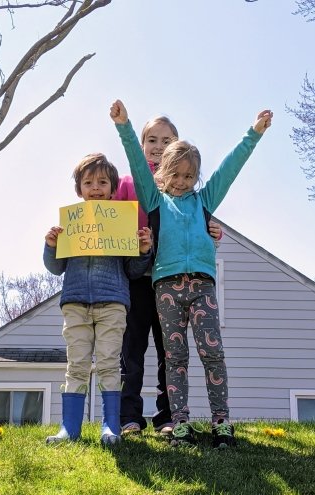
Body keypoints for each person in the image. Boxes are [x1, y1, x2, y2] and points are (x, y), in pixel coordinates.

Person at [110, 100, 272, 448]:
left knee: (212, 353)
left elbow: (230, 169)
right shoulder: (154, 201)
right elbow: (137, 163)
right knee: (175, 356)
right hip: (164, 287)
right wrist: (124, 126)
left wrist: (253, 134)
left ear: (195, 177)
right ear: (162, 172)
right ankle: (178, 422)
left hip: (202, 287)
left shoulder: (203, 201)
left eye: (188, 176)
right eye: (175, 175)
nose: (181, 182)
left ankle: (221, 421)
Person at [114, 116, 223, 437]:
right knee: (131, 350)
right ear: (142, 144)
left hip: (170, 279)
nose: (158, 147)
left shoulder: (181, 184)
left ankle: (167, 416)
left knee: (169, 352)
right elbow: (112, 222)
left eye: (166, 140)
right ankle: (129, 416)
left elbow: (193, 220)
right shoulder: (130, 182)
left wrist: (211, 228)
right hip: (136, 275)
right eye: (152, 140)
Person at [43, 152, 152, 446]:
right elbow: (55, 268)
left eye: (102, 182)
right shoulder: (70, 224)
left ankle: (110, 426)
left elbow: (132, 269)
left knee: (108, 364)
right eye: (88, 182)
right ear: (79, 189)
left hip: (113, 304)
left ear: (113, 189)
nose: (95, 188)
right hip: (76, 303)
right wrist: (51, 245)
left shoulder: (121, 223)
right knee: (76, 364)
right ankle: (70, 428)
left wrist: (143, 251)